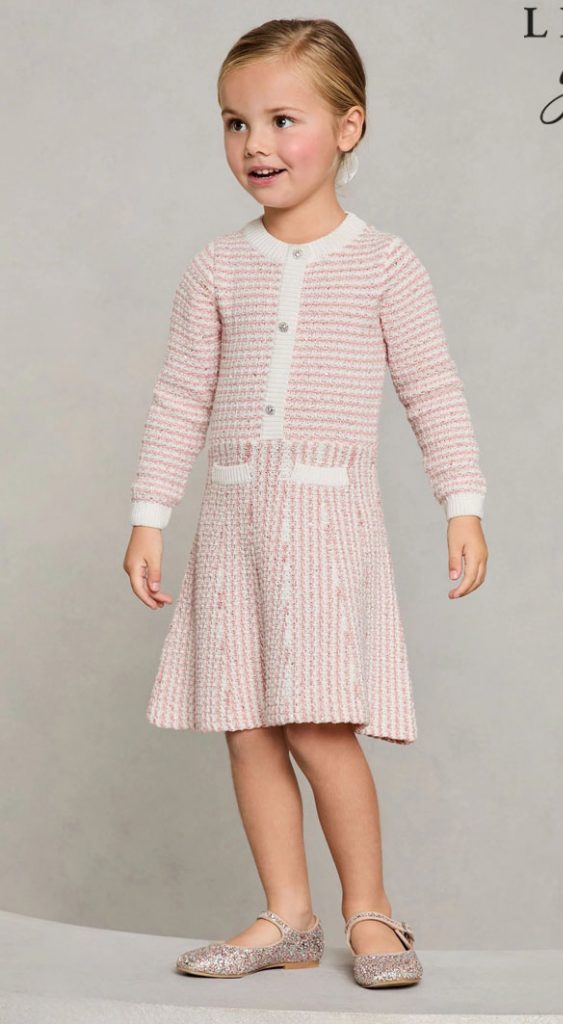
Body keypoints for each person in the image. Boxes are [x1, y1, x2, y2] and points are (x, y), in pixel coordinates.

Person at [122, 17, 488, 989]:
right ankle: (286, 915)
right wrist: (151, 515)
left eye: (283, 120)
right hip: (232, 524)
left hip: (327, 527)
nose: (256, 144)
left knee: (319, 724)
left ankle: (370, 910)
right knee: (245, 724)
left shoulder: (384, 264)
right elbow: (179, 397)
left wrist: (461, 501)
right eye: (235, 122)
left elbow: (432, 388)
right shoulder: (216, 267)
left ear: (348, 126)